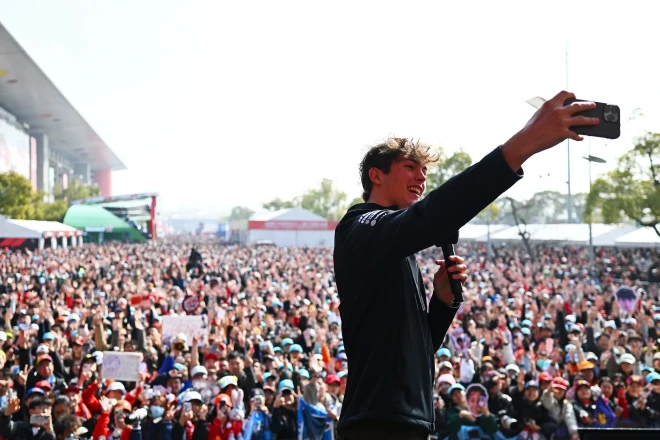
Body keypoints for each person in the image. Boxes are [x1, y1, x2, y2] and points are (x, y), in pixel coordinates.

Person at [333, 91, 600, 440]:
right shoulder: (360, 226)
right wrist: (522, 145)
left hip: (409, 422)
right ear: (376, 176)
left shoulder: (397, 252)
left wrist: (442, 303)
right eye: (410, 167)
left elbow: (417, 350)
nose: (421, 178)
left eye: (424, 171)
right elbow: (427, 218)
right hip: (374, 423)